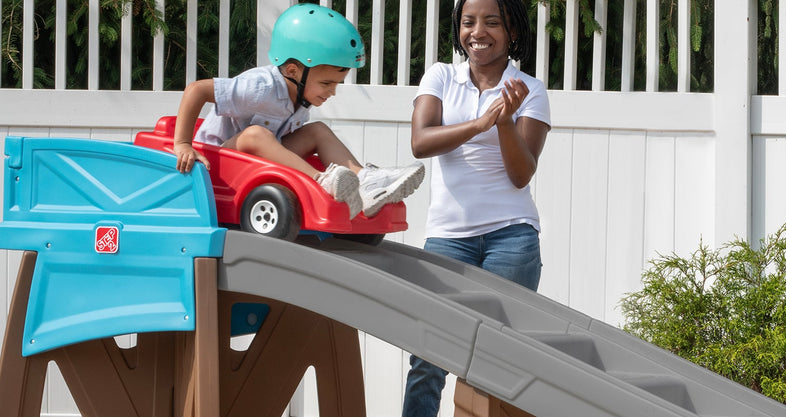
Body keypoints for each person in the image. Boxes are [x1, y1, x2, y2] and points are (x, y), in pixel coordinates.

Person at [401, 0, 550, 414]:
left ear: (512, 31)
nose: (477, 32)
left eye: (492, 22)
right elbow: (421, 141)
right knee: (427, 356)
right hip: (449, 238)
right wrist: (481, 122)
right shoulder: (441, 76)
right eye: (468, 22)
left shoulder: (530, 90)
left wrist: (504, 122)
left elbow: (521, 174)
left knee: (495, 360)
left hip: (512, 239)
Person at [170, 3, 423, 219]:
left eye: (336, 84)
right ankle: (322, 180)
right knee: (255, 134)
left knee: (318, 131)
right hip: (218, 164)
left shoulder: (301, 100)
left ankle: (364, 181)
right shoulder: (260, 87)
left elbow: (276, 145)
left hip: (256, 162)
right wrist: (182, 143)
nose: (332, 92)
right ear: (292, 71)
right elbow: (196, 90)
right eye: (326, 83)